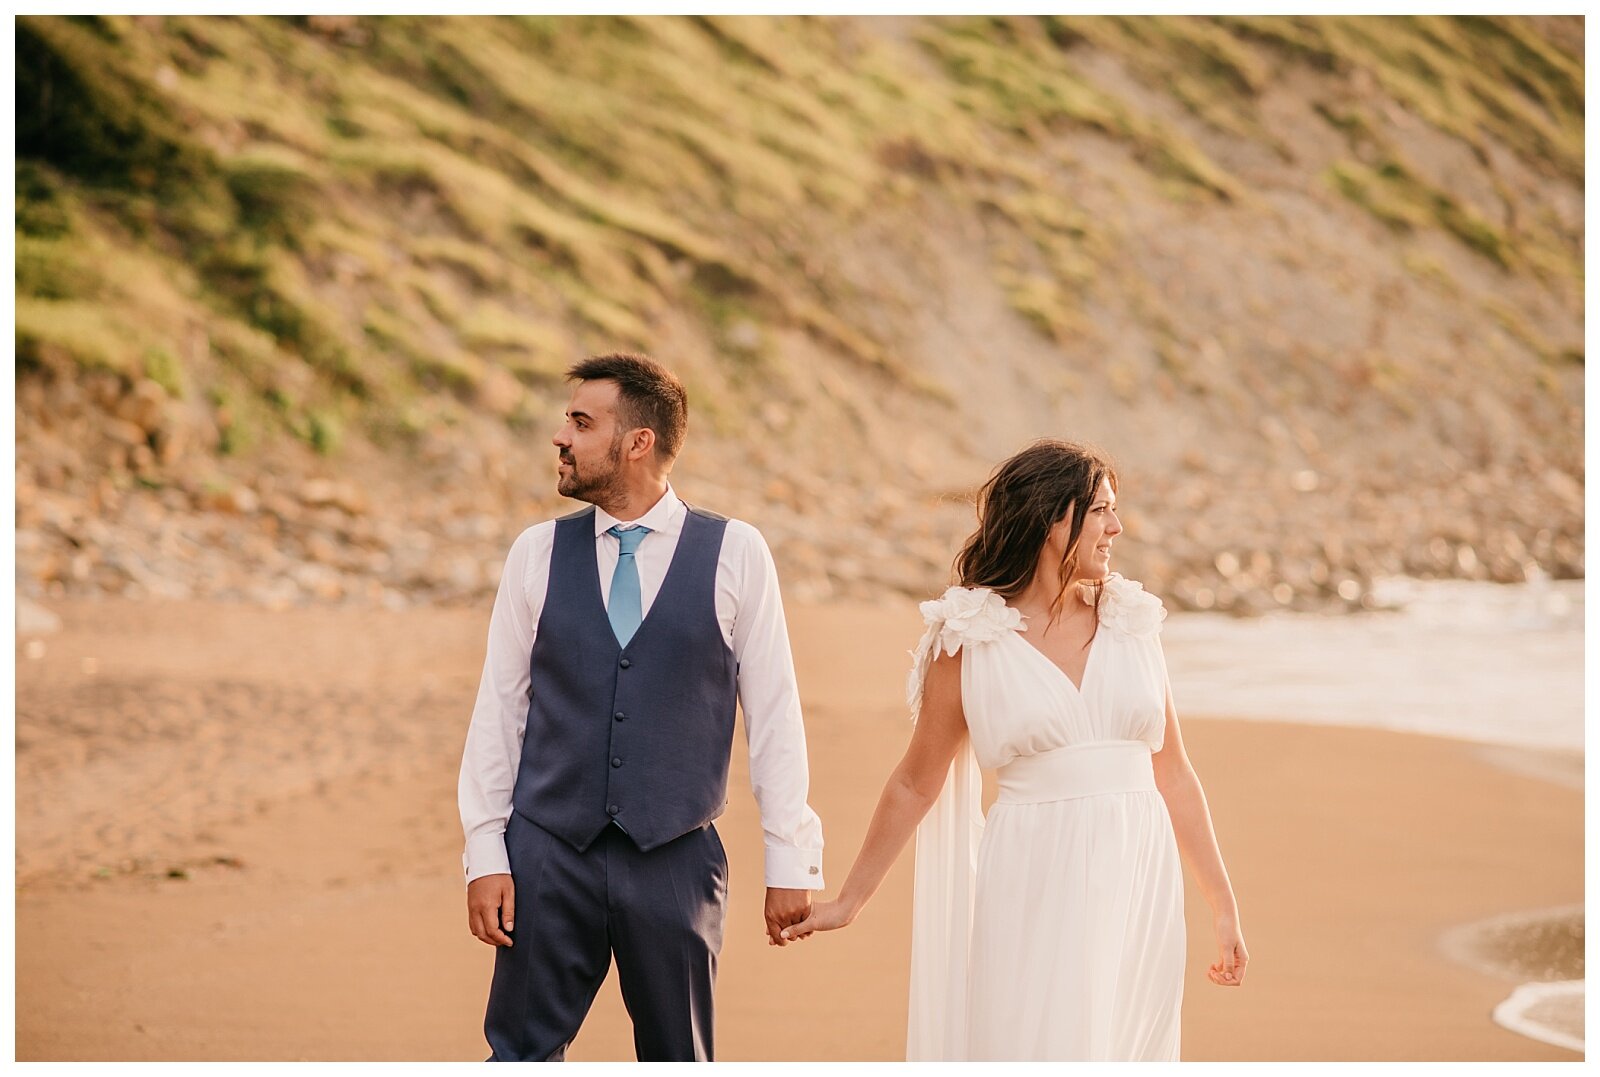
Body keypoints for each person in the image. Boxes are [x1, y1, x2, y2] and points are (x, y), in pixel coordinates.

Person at [782, 438, 1247, 1060]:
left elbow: (1176, 774)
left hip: (1139, 872)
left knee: (1128, 1047)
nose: (1117, 526)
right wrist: (849, 900)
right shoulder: (972, 635)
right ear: (1054, 520)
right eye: (1102, 510)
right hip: (1034, 869)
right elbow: (916, 782)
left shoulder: (1132, 619)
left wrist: (1222, 904)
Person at [458, 352, 825, 1061]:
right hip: (547, 852)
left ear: (638, 443)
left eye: (581, 422)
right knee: (519, 1055)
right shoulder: (535, 554)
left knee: (677, 1056)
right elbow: (499, 711)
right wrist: (484, 853)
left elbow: (775, 713)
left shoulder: (736, 553)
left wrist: (791, 859)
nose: (560, 437)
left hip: (676, 858)